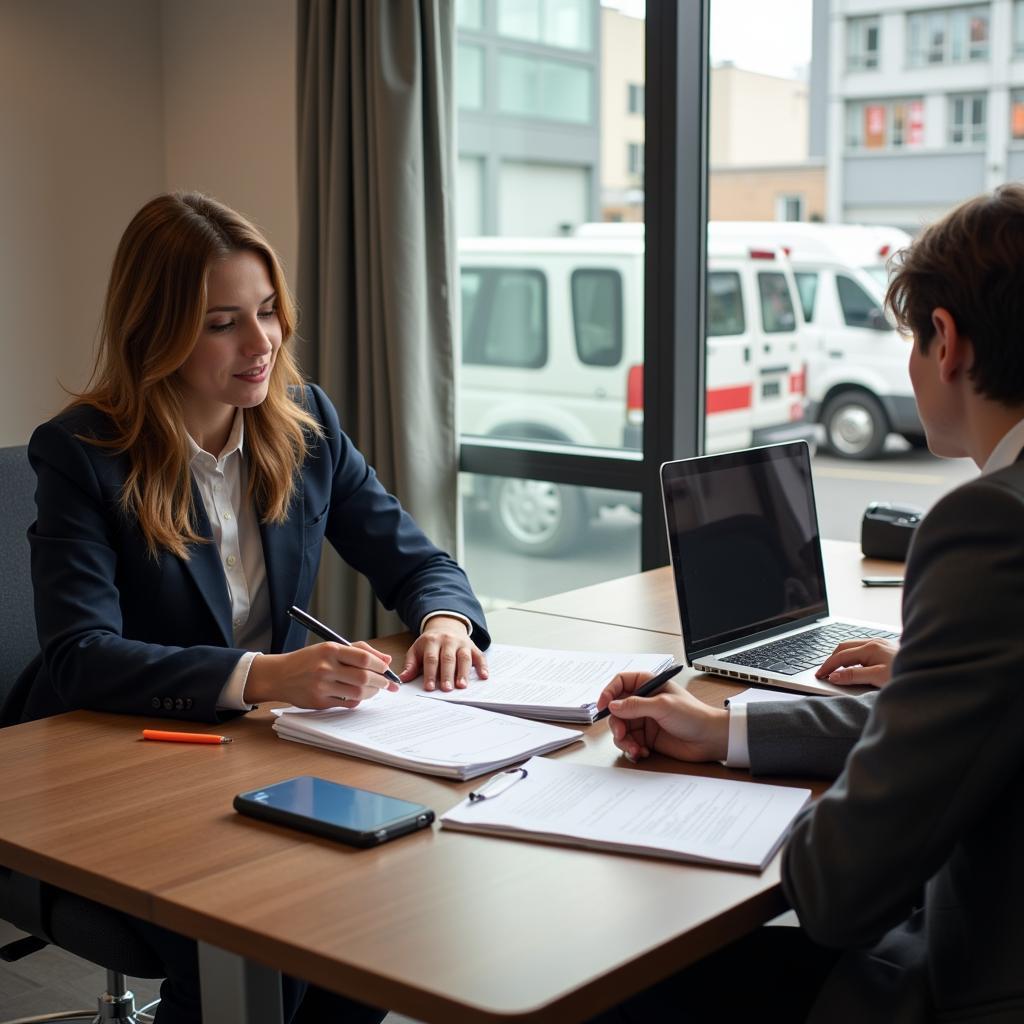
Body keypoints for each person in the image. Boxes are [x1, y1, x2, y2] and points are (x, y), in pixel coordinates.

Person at [4, 191, 493, 1023]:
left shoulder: (304, 429)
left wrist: (444, 620)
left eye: (268, 311)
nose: (261, 342)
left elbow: (421, 564)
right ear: (156, 331)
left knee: (377, 912)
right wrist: (264, 676)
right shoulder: (84, 455)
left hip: (255, 761)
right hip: (114, 766)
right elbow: (80, 655)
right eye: (222, 321)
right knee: (267, 941)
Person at [595, 184, 1024, 1022]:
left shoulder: (990, 526)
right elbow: (970, 726)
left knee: (623, 981)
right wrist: (728, 731)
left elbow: (836, 891)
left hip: (976, 980)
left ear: (945, 341)